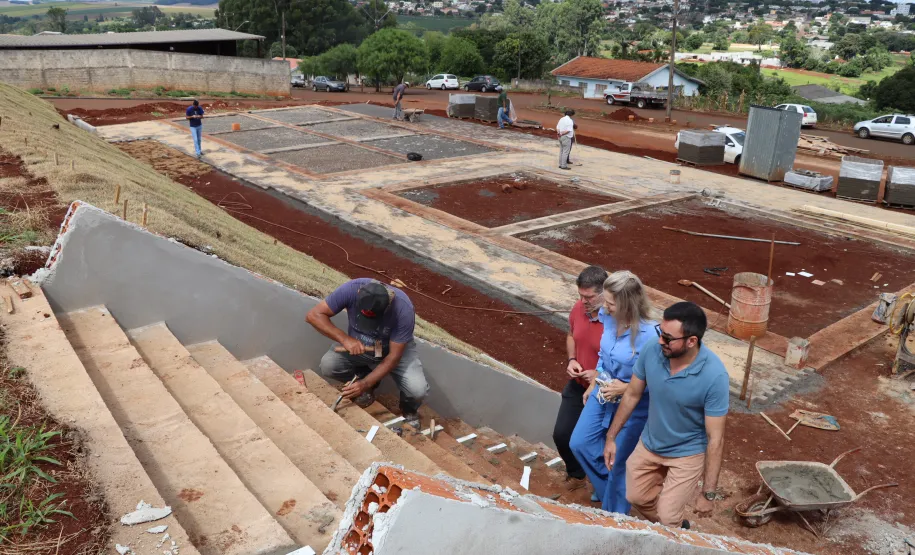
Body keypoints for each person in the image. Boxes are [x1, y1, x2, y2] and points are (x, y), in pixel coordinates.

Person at [603, 301, 729, 529]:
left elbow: (716, 438)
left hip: (687, 452)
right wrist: (611, 438)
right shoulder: (653, 350)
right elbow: (632, 394)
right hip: (650, 443)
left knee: (668, 515)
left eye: (668, 338)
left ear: (692, 341)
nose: (661, 340)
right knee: (635, 497)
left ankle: (671, 529)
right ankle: (674, 528)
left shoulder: (714, 376)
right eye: (661, 333)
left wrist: (708, 493)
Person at [569, 271, 656, 514]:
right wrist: (595, 380)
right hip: (604, 392)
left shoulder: (651, 336)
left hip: (634, 404)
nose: (604, 307)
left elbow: (662, 380)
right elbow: (604, 356)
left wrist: (628, 387)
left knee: (617, 463)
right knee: (580, 443)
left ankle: (613, 516)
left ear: (629, 304)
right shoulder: (608, 317)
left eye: (610, 303)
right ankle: (613, 492)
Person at [306, 278, 429, 429]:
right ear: (358, 294)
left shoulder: (403, 309)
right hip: (361, 342)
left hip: (394, 346)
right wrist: (345, 339)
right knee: (329, 365)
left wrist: (364, 384)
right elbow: (313, 315)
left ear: (387, 307)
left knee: (417, 390)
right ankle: (366, 379)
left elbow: (393, 357)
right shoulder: (351, 289)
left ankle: (408, 410)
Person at [552, 266, 608, 493]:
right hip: (578, 386)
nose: (583, 301)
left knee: (596, 444)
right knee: (562, 434)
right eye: (581, 296)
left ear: (605, 293)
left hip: (603, 393)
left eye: (589, 297)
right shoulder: (578, 309)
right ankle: (576, 474)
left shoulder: (615, 322)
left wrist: (598, 374)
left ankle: (602, 485)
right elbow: (570, 335)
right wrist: (572, 359)